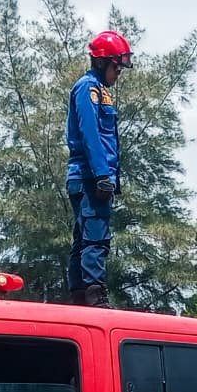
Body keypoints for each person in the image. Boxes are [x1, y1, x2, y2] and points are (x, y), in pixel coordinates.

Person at [66, 29, 133, 307]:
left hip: (94, 176)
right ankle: (94, 296)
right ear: (103, 63)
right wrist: (102, 175)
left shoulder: (102, 92)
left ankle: (81, 296)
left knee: (85, 238)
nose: (118, 74)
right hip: (90, 177)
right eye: (117, 67)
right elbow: (90, 133)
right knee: (95, 238)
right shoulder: (88, 88)